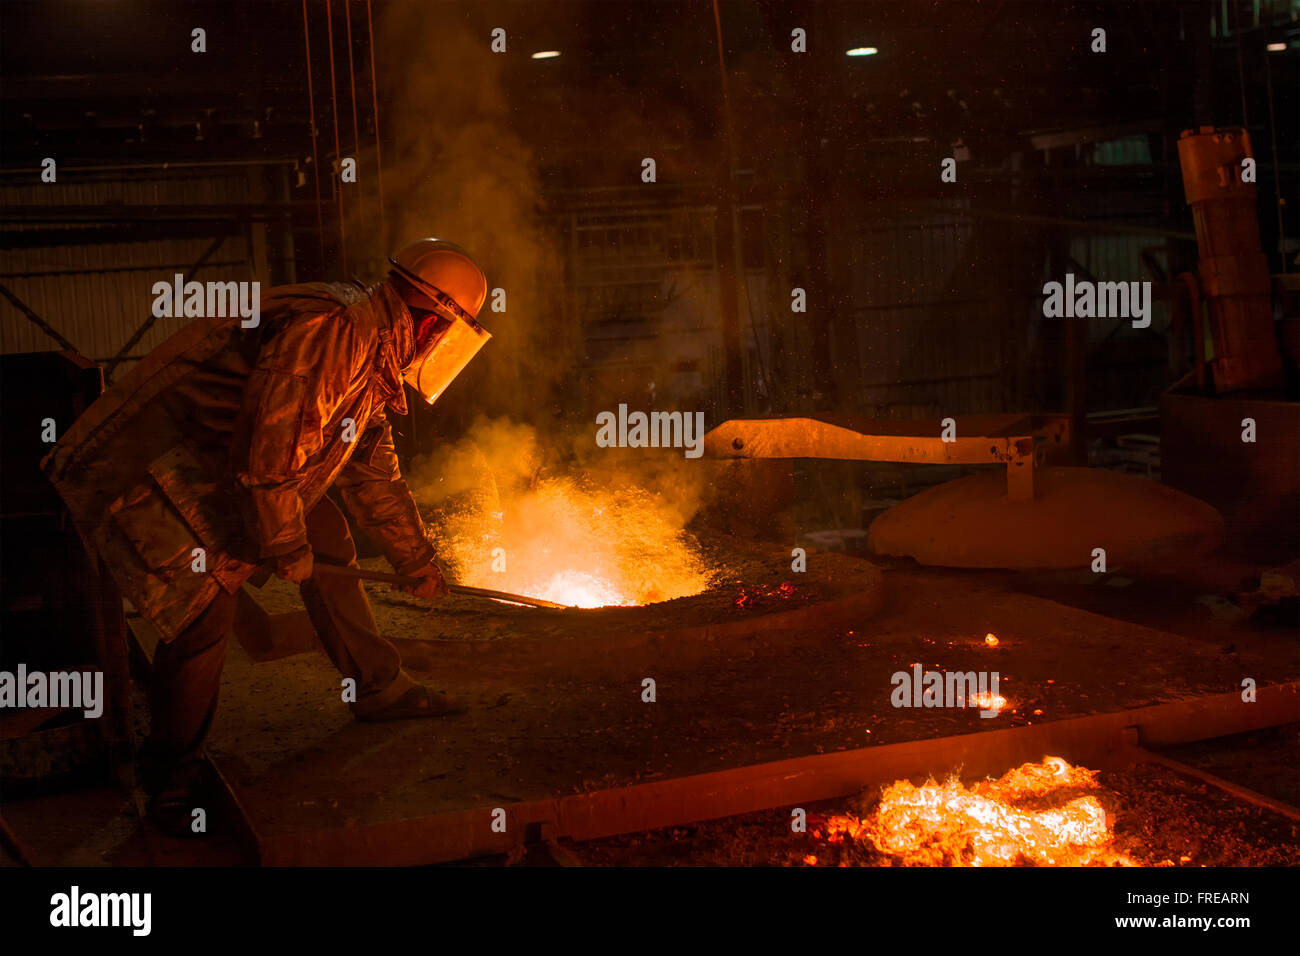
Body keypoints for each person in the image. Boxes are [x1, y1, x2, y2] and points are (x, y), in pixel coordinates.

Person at [42, 238, 490, 833]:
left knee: (326, 527)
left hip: (217, 468)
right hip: (157, 470)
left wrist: (415, 559)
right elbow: (271, 449)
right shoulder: (338, 332)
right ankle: (171, 783)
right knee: (202, 616)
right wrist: (284, 545)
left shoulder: (373, 347)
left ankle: (376, 686)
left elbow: (371, 473)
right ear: (434, 320)